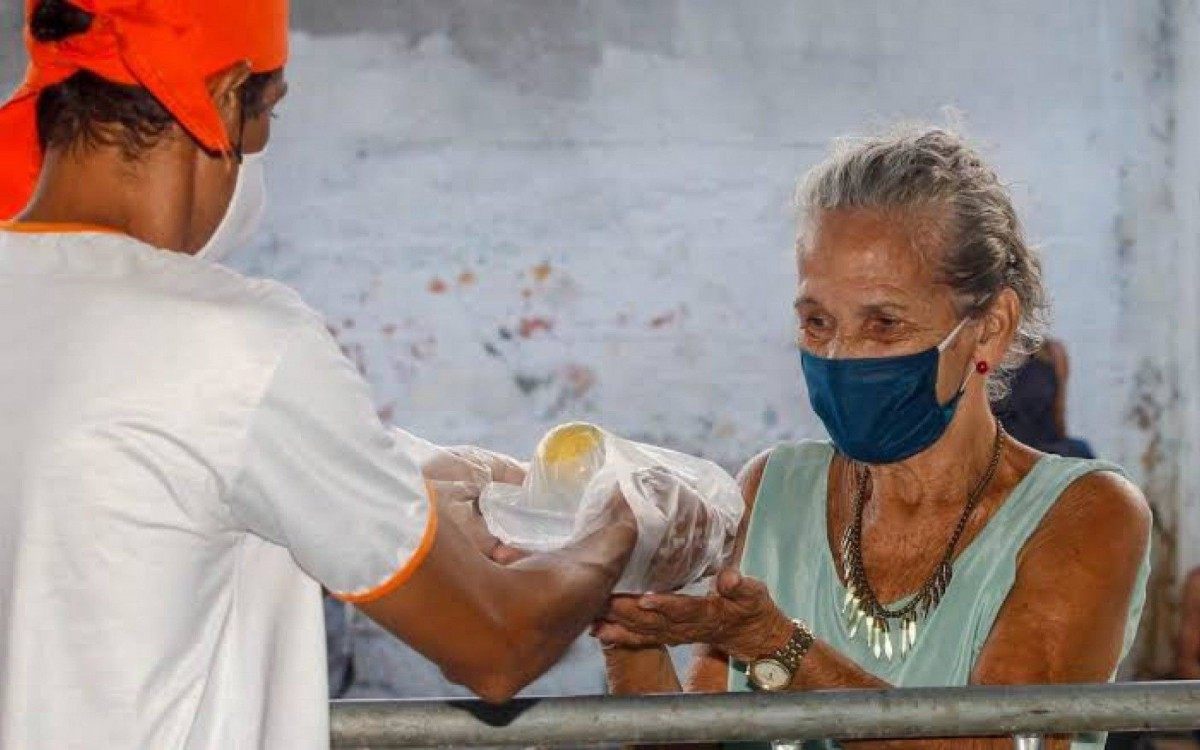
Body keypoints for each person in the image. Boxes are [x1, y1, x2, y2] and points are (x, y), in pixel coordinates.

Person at [0, 2, 713, 748]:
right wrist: (619, 528)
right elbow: (498, 642)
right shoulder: (231, 341)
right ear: (221, 98)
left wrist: (480, 490)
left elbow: (156, 477)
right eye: (267, 113)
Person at [593, 128, 1152, 750]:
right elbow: (699, 739)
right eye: (816, 321)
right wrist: (629, 622)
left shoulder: (1087, 513)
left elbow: (1001, 745)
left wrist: (775, 644)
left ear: (989, 330)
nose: (838, 356)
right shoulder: (774, 491)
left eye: (883, 325)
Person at [994, 338, 1096, 458]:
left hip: (1047, 445)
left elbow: (1059, 414)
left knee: (1082, 451)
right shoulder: (988, 355)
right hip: (1007, 449)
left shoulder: (1053, 352)